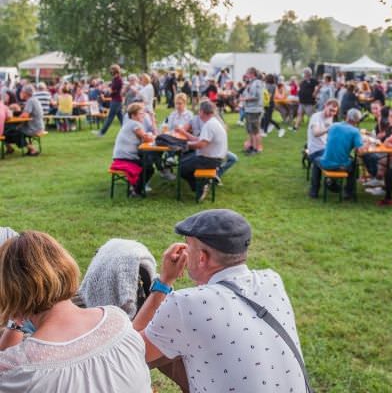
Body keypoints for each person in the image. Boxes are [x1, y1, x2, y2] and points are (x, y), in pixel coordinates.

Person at [133, 209, 309, 393]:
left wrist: (164, 281)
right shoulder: (272, 280)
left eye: (188, 246)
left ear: (202, 257)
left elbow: (126, 352)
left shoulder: (185, 305)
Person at [0, 230, 151, 392]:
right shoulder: (119, 322)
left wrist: (16, 309)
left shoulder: (19, 369)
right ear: (66, 266)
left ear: (8, 290)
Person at [176, 100, 227, 200]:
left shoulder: (209, 125)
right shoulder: (213, 122)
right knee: (183, 161)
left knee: (181, 168)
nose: (199, 113)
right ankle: (202, 183)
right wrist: (186, 141)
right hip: (213, 158)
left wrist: (185, 146)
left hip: (210, 160)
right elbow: (199, 140)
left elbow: (201, 144)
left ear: (202, 112)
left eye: (199, 111)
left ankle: (201, 185)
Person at [319, 108, 367, 200]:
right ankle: (348, 192)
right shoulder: (355, 131)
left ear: (347, 117)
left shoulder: (334, 125)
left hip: (324, 161)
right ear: (357, 120)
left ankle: (332, 182)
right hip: (338, 165)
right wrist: (367, 144)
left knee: (342, 156)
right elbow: (360, 152)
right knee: (354, 164)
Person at [111, 102, 155, 195]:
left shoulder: (129, 123)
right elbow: (147, 138)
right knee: (149, 167)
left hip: (119, 155)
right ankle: (136, 190)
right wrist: (153, 135)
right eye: (141, 113)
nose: (143, 115)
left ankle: (136, 186)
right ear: (133, 115)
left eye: (143, 113)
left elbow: (144, 138)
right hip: (126, 157)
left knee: (147, 161)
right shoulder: (135, 124)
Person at [307, 98, 339, 198]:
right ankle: (330, 183)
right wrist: (328, 129)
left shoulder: (330, 118)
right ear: (325, 106)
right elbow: (316, 133)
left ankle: (315, 189)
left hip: (325, 149)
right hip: (315, 150)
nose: (332, 113)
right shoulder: (316, 117)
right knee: (324, 160)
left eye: (334, 111)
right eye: (330, 110)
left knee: (341, 156)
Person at [6, 84, 44, 156]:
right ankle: (9, 147)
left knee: (12, 131)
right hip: (38, 126)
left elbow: (24, 116)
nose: (20, 93)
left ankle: (32, 149)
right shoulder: (34, 99)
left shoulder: (30, 101)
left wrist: (15, 116)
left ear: (26, 93)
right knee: (11, 129)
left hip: (33, 128)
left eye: (22, 92)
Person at [94, 64, 124, 137]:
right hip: (115, 100)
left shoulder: (119, 80)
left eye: (112, 70)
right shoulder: (114, 79)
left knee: (110, 117)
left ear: (115, 70)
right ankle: (128, 131)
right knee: (121, 118)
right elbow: (112, 89)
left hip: (116, 101)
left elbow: (115, 90)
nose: (110, 71)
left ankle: (101, 133)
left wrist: (108, 91)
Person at [241, 67, 264, 154]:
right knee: (250, 130)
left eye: (247, 73)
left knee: (255, 131)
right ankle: (251, 147)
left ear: (252, 74)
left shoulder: (257, 83)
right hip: (249, 109)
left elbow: (256, 96)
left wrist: (244, 99)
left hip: (254, 109)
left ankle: (256, 148)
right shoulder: (251, 83)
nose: (246, 75)